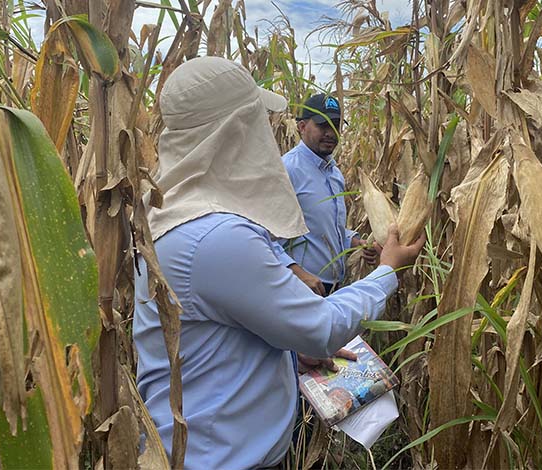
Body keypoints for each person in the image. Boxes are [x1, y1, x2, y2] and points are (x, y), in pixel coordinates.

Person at [133, 56, 425, 470]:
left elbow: (215, 336)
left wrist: (289, 351)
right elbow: (322, 328)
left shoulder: (169, 215)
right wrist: (388, 271)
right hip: (214, 459)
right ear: (236, 130)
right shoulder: (216, 236)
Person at [276, 93, 378, 296]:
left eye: (335, 125)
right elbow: (263, 237)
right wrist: (298, 274)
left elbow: (328, 229)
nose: (331, 133)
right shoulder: (286, 170)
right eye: (323, 125)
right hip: (300, 288)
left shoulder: (334, 173)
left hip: (332, 287)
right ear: (302, 126)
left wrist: (357, 243)